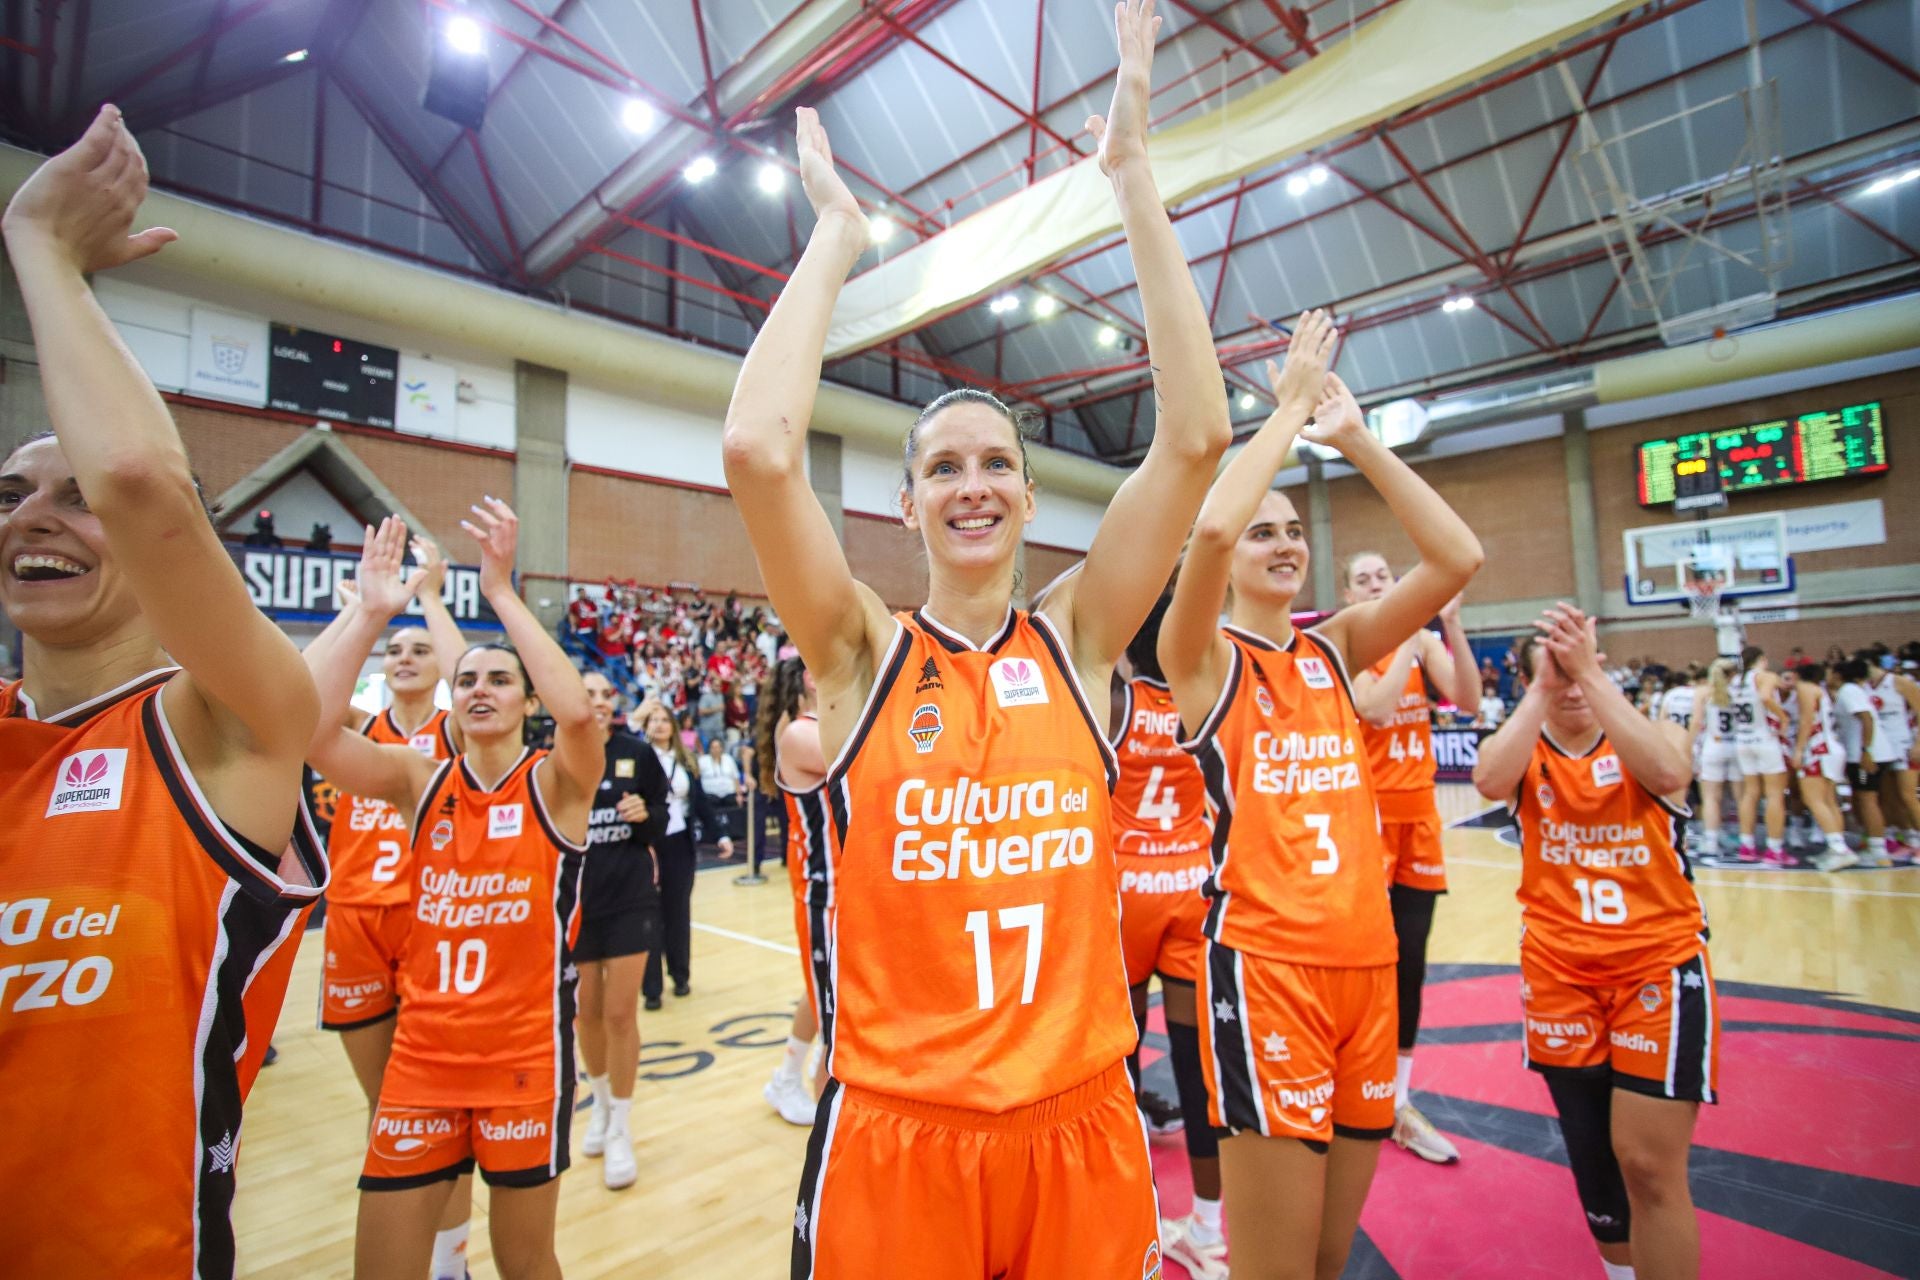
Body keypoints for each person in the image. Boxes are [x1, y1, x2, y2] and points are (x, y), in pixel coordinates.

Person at [724, 5, 1230, 1270]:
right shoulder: (857, 651)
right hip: (903, 1130)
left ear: (1029, 491)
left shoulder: (1083, 637)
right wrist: (839, 238)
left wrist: (1131, 178)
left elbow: (1196, 439)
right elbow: (754, 451)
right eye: (941, 465)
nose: (972, 483)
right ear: (905, 503)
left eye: (996, 461)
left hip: (1081, 1120)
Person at [0, 106, 329, 1276]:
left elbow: (143, 478)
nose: (32, 513)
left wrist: (43, 254)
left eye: (68, 493)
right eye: (11, 494)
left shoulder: (223, 729)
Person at [1158, 334, 1484, 1279]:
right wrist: (1286, 410)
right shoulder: (1202, 660)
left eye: (1296, 528)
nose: (1285, 543)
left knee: (1330, 1259)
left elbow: (1457, 556)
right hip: (1268, 971)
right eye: (1268, 530)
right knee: (1275, 1269)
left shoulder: (1333, 649)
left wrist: (1358, 441)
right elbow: (1210, 532)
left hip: (1365, 966)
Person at [306, 500, 597, 1280]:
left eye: (501, 680)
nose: (480, 689)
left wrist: (499, 590)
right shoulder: (415, 779)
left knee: (526, 1260)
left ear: (525, 702)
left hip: (523, 1055)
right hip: (424, 1056)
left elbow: (576, 710)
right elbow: (309, 730)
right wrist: (371, 613)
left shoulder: (556, 786)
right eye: (466, 678)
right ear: (451, 702)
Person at [1474, 606, 1714, 1280]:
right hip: (1558, 973)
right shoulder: (1524, 749)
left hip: (1656, 966)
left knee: (1647, 1164)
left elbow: (1669, 773)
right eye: (1557, 672)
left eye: (1586, 664)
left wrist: (1587, 672)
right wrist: (1543, 687)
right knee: (1594, 1160)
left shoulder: (1649, 732)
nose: (1574, 683)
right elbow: (1489, 780)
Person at [301, 530, 478, 1280]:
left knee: (443, 1109)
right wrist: (364, 618)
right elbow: (299, 710)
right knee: (389, 1110)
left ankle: (449, 1262)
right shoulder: (352, 731)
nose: (404, 659)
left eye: (419, 652)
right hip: (351, 923)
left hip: (427, 923)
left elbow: (474, 676)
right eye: (393, 653)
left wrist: (432, 596)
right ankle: (417, 1244)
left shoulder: (455, 732)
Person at [1343, 559, 1481, 1165]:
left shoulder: (1423, 643)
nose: (1380, 585)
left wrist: (1449, 628)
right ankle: (1349, 1082)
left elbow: (1469, 700)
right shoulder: (1347, 644)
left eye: (1386, 577)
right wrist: (1406, 639)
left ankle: (1397, 1101)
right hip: (1365, 824)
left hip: (1420, 819)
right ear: (1349, 593)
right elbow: (1372, 709)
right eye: (1367, 579)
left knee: (1411, 964)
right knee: (1363, 964)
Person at [1106, 591, 1227, 1277]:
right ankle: (1206, 1227)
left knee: (1120, 1072)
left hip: (1123, 903)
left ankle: (1130, 1219)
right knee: (1195, 1068)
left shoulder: (1115, 704)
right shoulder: (1205, 697)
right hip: (1191, 896)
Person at [574, 670, 669, 1190]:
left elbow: (663, 816)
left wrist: (644, 813)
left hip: (631, 898)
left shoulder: (638, 751)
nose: (601, 702)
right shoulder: (555, 752)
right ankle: (601, 1105)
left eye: (607, 695)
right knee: (585, 1011)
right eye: (589, 695)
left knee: (619, 1013)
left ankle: (622, 1129)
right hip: (577, 903)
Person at [756, 657, 832, 1127]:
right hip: (828, 900)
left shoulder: (823, 727)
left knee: (822, 1000)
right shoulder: (804, 734)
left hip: (855, 896)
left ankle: (786, 1075)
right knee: (841, 1037)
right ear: (811, 676)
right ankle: (834, 1143)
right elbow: (894, 757)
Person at [637, 700, 731, 1009]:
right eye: (654, 720)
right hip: (647, 845)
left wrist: (721, 835)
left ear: (674, 727)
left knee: (678, 912)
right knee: (648, 916)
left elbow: (700, 802)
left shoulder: (686, 759)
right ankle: (651, 988)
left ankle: (681, 975)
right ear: (646, 726)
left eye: (665, 720)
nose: (660, 725)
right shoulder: (638, 757)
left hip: (679, 843)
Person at [1726, 646, 1791, 865]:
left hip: (1743, 740)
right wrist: (1784, 717)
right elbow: (1765, 697)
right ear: (1762, 659)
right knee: (1774, 795)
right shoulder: (1765, 676)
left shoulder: (1735, 681)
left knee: (1750, 793)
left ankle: (1747, 845)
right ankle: (1775, 849)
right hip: (1765, 738)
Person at [1794, 662, 1858, 872]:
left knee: (1814, 799)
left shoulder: (1805, 688)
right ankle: (1837, 846)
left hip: (1818, 749)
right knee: (1829, 801)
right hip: (1832, 747)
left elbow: (1806, 721)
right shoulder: (1821, 690)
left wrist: (1799, 750)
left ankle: (1839, 849)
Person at [1690, 660, 1741, 861]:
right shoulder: (1739, 691)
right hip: (1737, 746)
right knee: (1741, 798)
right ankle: (1746, 840)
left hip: (1713, 746)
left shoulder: (1704, 692)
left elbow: (1696, 722)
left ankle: (1711, 840)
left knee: (1711, 797)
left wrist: (1687, 745)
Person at [697, 732, 742, 805]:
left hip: (729, 793)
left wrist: (739, 795)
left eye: (717, 747)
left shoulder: (728, 759)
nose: (715, 749)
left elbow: (736, 778)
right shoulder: (702, 760)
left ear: (721, 748)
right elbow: (697, 778)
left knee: (732, 801)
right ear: (709, 749)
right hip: (709, 794)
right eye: (713, 747)